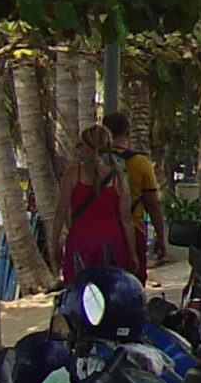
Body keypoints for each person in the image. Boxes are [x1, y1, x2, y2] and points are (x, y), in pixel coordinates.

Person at [62, 123, 141, 280]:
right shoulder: (118, 177)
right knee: (109, 290)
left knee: (78, 290)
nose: (79, 149)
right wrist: (132, 253)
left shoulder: (73, 174)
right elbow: (125, 219)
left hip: (80, 240)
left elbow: (60, 212)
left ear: (87, 147)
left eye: (80, 145)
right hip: (110, 242)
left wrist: (54, 245)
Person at [101, 108, 173, 269]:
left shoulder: (93, 163)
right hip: (132, 231)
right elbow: (152, 205)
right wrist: (161, 238)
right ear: (127, 133)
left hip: (99, 232)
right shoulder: (140, 162)